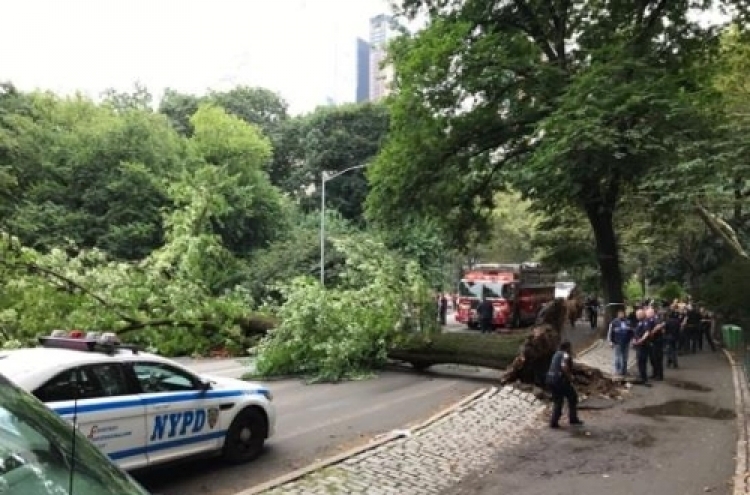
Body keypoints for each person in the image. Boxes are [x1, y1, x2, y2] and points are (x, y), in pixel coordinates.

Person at [546, 341, 583, 429]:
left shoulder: (556, 354)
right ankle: (573, 418)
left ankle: (553, 422)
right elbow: (564, 366)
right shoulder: (565, 354)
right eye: (570, 348)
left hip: (550, 379)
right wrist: (570, 377)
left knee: (558, 401)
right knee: (573, 397)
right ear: (567, 348)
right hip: (559, 380)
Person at [607, 308, 633, 376]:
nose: (621, 315)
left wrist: (631, 340)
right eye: (620, 314)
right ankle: (617, 370)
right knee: (618, 357)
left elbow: (631, 332)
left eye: (622, 314)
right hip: (617, 342)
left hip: (626, 342)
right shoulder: (614, 322)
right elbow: (610, 332)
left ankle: (624, 370)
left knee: (625, 357)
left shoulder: (628, 322)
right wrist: (610, 341)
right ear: (618, 314)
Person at [632, 309, 652, 387]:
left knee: (642, 361)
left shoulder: (645, 322)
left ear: (642, 314)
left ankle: (644, 379)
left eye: (638, 314)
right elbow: (636, 332)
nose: (637, 316)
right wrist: (634, 339)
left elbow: (647, 332)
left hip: (643, 345)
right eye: (636, 314)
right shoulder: (639, 322)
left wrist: (641, 340)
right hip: (638, 345)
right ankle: (641, 376)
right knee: (639, 361)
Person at [645, 307, 665, 381]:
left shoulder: (655, 319)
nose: (646, 315)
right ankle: (655, 373)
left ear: (651, 313)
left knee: (657, 359)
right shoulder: (649, 319)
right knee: (653, 359)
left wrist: (652, 332)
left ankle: (659, 375)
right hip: (652, 342)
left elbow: (660, 325)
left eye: (647, 313)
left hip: (657, 342)